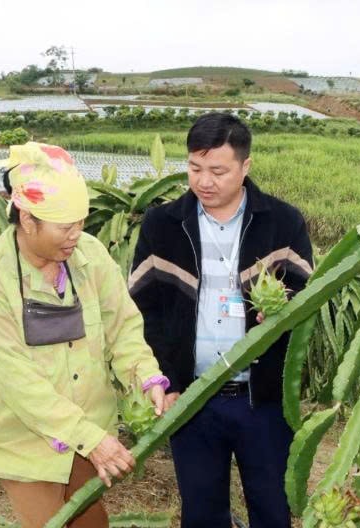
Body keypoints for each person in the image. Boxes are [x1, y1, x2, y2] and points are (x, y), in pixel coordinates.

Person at [0, 142, 170, 528]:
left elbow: (123, 326)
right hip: (25, 439)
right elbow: (16, 379)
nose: (77, 235)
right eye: (65, 227)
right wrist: (88, 438)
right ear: (28, 219)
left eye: (81, 222)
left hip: (91, 428)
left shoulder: (90, 256)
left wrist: (144, 375)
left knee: (91, 523)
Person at [129, 113, 314, 528]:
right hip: (191, 397)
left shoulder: (283, 222)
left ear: (245, 167)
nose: (204, 181)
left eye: (218, 171)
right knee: (201, 513)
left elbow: (307, 292)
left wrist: (283, 310)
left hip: (263, 398)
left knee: (273, 508)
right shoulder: (162, 225)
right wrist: (167, 380)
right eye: (194, 168)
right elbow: (142, 308)